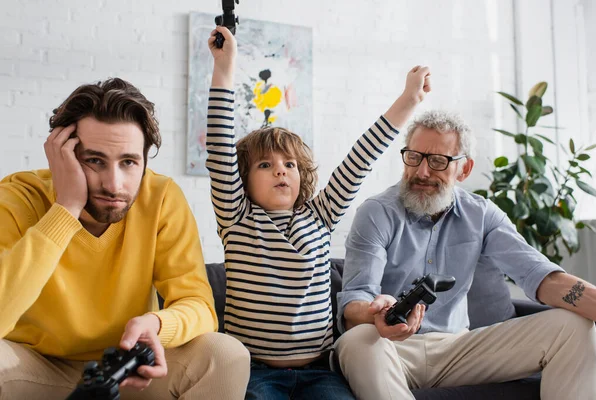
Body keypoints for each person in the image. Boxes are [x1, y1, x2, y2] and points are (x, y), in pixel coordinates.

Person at [206, 26, 431, 399]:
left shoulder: (320, 215)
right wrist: (225, 68)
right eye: (265, 165)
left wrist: (408, 100)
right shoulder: (237, 218)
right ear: (242, 179)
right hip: (254, 374)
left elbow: (360, 158)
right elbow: (218, 146)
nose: (281, 170)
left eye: (290, 164)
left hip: (319, 371)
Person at [0, 78, 250, 400]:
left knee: (225, 354)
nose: (114, 184)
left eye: (129, 162)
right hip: (36, 368)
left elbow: (199, 305)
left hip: (127, 369)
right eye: (94, 160)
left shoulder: (160, 198)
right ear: (61, 154)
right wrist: (66, 209)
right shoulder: (18, 197)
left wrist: (158, 324)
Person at [335, 109, 596, 399]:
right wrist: (378, 313)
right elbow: (354, 301)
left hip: (458, 350)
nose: (422, 172)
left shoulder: (482, 214)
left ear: (464, 169)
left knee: (573, 325)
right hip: (389, 348)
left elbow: (540, 276)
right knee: (357, 339)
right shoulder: (376, 213)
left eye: (437, 161)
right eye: (414, 157)